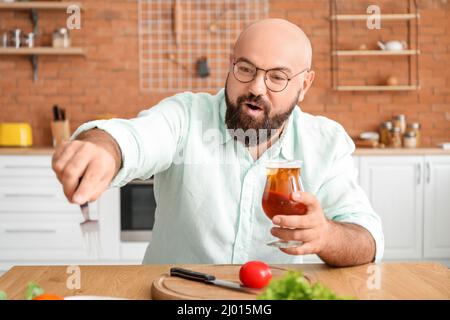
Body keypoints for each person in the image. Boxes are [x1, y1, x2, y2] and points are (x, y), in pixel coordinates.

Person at [52, 19, 384, 267]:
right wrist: (103, 148)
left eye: (277, 77)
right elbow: (134, 137)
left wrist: (325, 235)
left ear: (305, 84)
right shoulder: (185, 115)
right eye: (245, 68)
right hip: (175, 297)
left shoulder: (326, 143)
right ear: (231, 63)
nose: (256, 87)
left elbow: (366, 240)